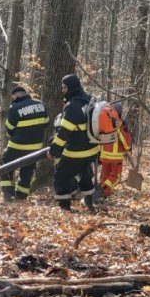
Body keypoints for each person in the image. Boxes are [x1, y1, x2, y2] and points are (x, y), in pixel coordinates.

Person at [49, 74, 100, 212]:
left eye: (64, 87)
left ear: (71, 87)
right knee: (84, 174)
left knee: (60, 176)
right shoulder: (89, 99)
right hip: (92, 150)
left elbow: (64, 133)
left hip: (76, 151)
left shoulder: (72, 106)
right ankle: (90, 204)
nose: (62, 90)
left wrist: (53, 150)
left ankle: (65, 209)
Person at [0, 86, 48, 200]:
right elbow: (46, 123)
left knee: (5, 165)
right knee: (27, 170)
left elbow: (9, 130)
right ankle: (21, 196)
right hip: (36, 147)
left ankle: (8, 194)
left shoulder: (14, 108)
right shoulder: (40, 105)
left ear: (16, 96)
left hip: (17, 146)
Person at [99, 103, 132, 198]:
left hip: (104, 156)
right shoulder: (119, 123)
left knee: (105, 176)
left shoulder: (105, 121)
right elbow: (126, 143)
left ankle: (103, 194)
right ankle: (103, 191)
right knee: (116, 177)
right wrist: (127, 147)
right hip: (115, 157)